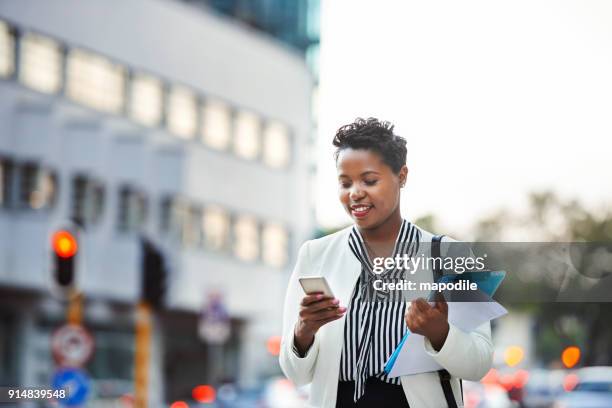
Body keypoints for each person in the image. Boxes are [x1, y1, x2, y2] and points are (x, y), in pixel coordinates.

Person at [279, 118, 493, 407]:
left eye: (369, 180)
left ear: (401, 176)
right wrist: (304, 330)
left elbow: (479, 364)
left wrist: (439, 333)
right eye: (345, 183)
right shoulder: (315, 255)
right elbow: (296, 373)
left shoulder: (451, 255)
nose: (354, 192)